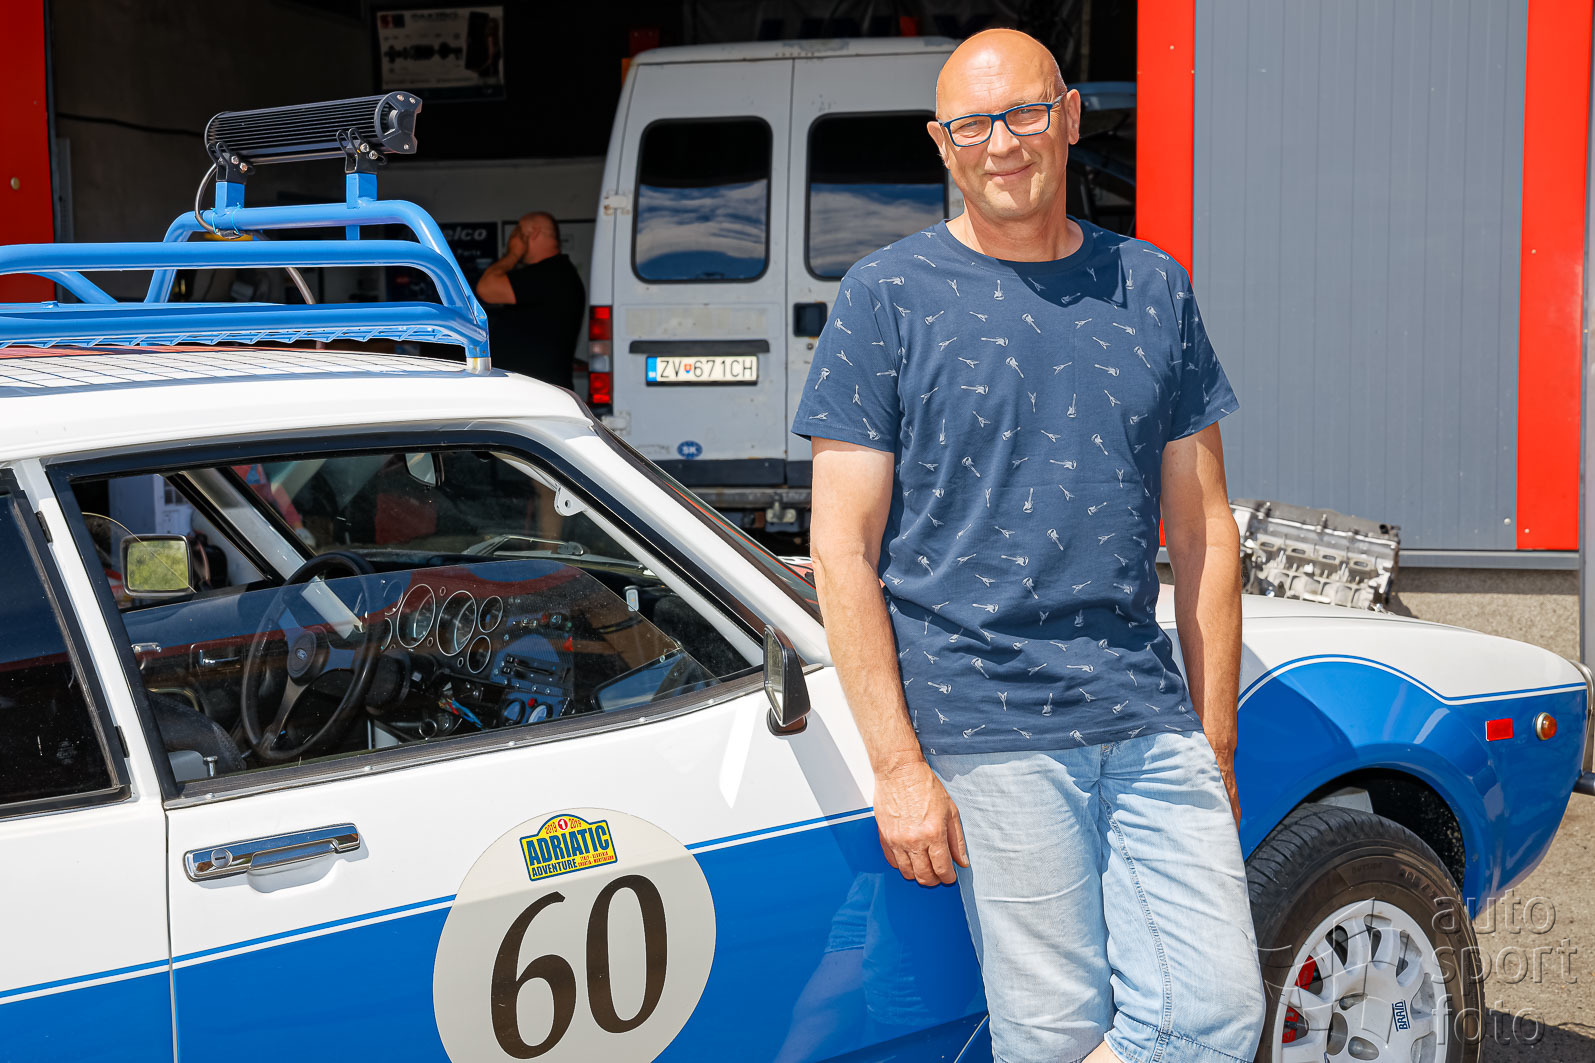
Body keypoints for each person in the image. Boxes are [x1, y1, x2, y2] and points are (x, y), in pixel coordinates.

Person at [791, 28, 1267, 1063]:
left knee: (1216, 1017)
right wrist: (897, 766)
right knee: (1053, 1034)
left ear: (1069, 117)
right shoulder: (885, 297)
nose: (1000, 144)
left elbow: (1201, 530)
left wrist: (1214, 740)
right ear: (940, 143)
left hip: (1145, 715)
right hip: (985, 718)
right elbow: (841, 549)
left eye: (1023, 113)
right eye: (971, 124)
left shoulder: (1150, 287)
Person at [475, 212, 586, 388]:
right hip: (533, 389)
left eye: (518, 232)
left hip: (541, 390)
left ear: (533, 233)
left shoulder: (554, 273)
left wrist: (513, 253)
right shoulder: (551, 272)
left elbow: (486, 288)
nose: (513, 239)